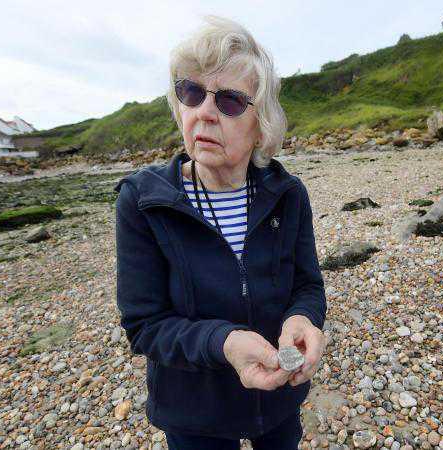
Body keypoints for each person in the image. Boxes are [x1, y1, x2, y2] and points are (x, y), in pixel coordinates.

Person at [113, 15, 327, 450]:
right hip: (194, 412)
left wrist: (304, 319)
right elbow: (145, 325)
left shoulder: (287, 195)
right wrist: (224, 343)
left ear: (261, 123)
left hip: (280, 398)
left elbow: (307, 284)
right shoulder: (143, 201)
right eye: (191, 92)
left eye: (229, 101)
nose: (205, 112)